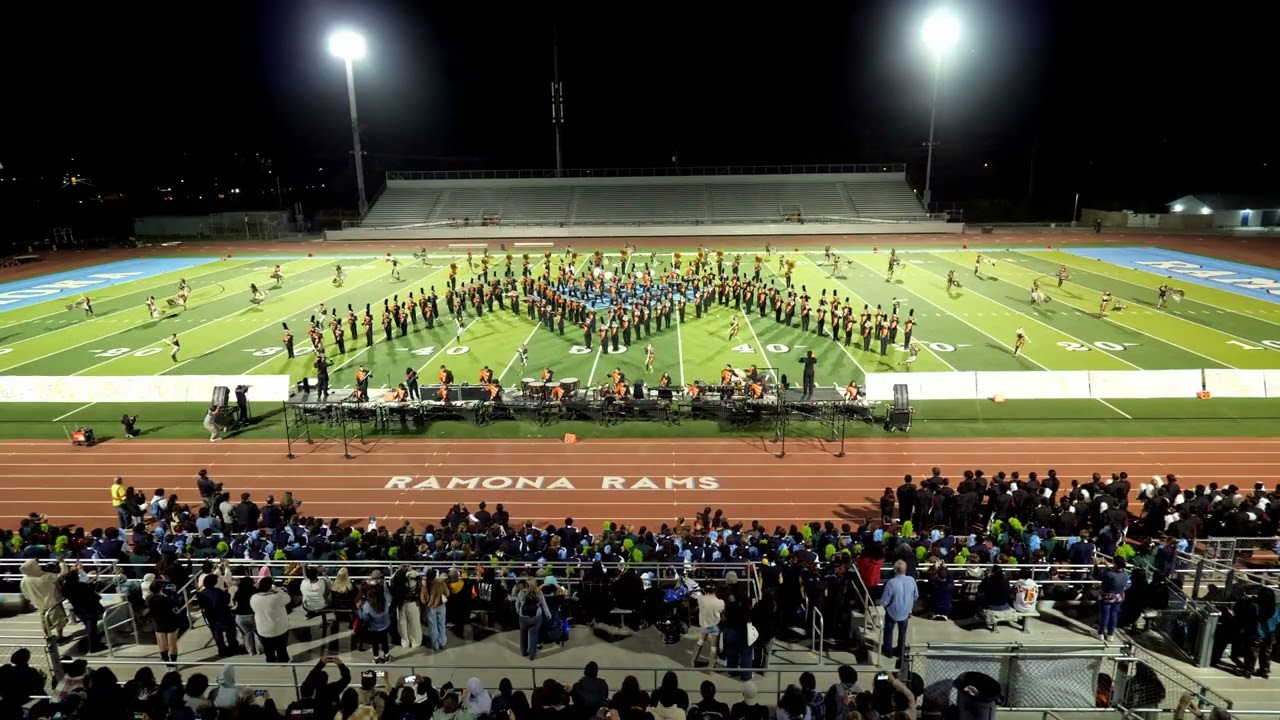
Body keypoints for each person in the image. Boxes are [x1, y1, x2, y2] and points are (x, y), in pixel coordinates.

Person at [20, 558, 71, 641]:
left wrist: (32, 600)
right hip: (52, 602)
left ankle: (48, 636)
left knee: (45, 622)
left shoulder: (24, 580)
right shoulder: (46, 577)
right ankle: (60, 637)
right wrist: (62, 563)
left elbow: (25, 593)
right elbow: (63, 574)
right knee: (58, 621)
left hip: (39, 604)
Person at [880, 559, 918, 659]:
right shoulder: (911, 580)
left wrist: (884, 605)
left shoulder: (891, 582)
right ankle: (900, 650)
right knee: (903, 632)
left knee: (888, 630)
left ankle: (888, 650)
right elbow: (916, 595)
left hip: (892, 610)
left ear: (895, 569)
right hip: (906, 610)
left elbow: (884, 601)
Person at [251, 576, 292, 662]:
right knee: (281, 649)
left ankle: (271, 660)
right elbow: (288, 599)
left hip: (263, 629)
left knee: (268, 650)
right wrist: (279, 591)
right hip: (279, 629)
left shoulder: (253, 598)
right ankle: (283, 661)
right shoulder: (276, 597)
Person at [360, 570, 394, 663]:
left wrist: (360, 609)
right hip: (385, 625)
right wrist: (384, 585)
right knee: (384, 641)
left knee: (375, 643)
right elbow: (388, 594)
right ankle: (387, 656)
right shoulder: (386, 600)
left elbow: (364, 618)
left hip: (373, 628)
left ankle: (376, 658)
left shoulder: (367, 606)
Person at [1096, 556, 1130, 643]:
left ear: (1115, 563)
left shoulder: (1109, 574)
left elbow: (1100, 577)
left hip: (1106, 597)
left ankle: (1101, 633)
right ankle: (1110, 635)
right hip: (1118, 597)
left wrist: (1096, 565)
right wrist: (1108, 566)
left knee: (1105, 615)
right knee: (1114, 615)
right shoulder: (1125, 574)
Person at [515, 578, 550, 660]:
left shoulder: (521, 593)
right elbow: (544, 606)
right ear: (536, 584)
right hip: (536, 617)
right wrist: (548, 614)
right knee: (533, 633)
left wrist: (519, 613)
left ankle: (524, 652)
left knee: (523, 633)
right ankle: (532, 654)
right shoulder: (539, 593)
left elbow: (517, 604)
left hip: (523, 617)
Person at [423, 574, 451, 651]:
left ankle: (435, 645)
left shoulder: (425, 584)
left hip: (431, 608)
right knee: (441, 624)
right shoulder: (441, 582)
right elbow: (447, 593)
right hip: (441, 606)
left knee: (433, 627)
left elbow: (422, 598)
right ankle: (442, 642)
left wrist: (427, 603)